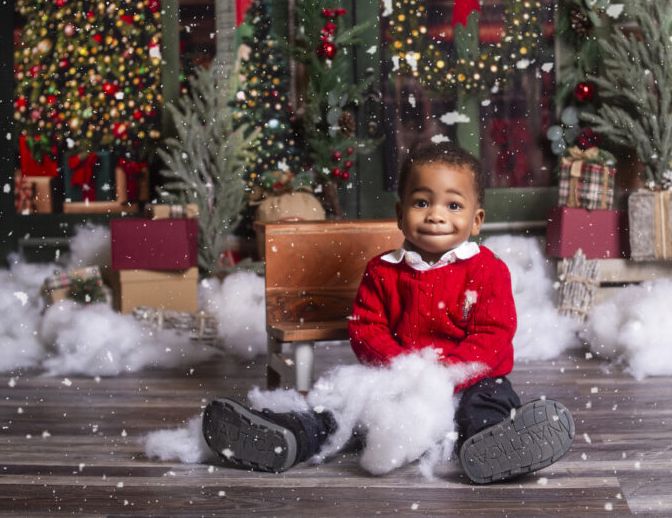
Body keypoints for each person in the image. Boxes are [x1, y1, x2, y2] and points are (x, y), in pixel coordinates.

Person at [202, 142, 575, 483]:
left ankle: (493, 446)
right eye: (422, 202)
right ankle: (289, 435)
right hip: (394, 376)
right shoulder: (383, 270)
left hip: (471, 378)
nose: (436, 216)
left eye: (454, 205)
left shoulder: (487, 270)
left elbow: (492, 335)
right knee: (342, 409)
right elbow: (366, 329)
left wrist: (447, 374)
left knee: (485, 404)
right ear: (400, 213)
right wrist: (402, 370)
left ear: (476, 221)